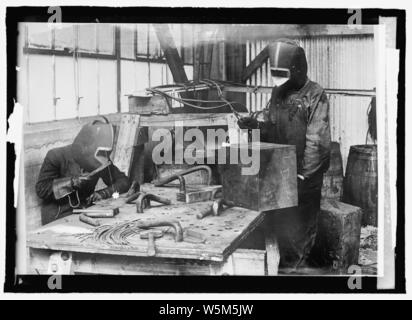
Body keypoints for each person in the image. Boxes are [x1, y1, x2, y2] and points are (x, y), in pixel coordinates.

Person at [238, 39, 331, 270]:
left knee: (298, 235)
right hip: (279, 174)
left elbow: (317, 143)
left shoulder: (315, 94)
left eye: (282, 73)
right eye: (275, 73)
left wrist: (303, 177)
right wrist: (255, 126)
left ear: (298, 69)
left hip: (303, 180)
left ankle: (295, 280)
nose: (278, 78)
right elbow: (272, 127)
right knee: (277, 229)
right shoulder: (278, 92)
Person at [36, 117, 130, 225]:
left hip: (85, 211)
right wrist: (72, 183)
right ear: (84, 146)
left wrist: (104, 193)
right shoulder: (56, 156)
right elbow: (41, 189)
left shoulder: (99, 158)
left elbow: (124, 181)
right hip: (59, 215)